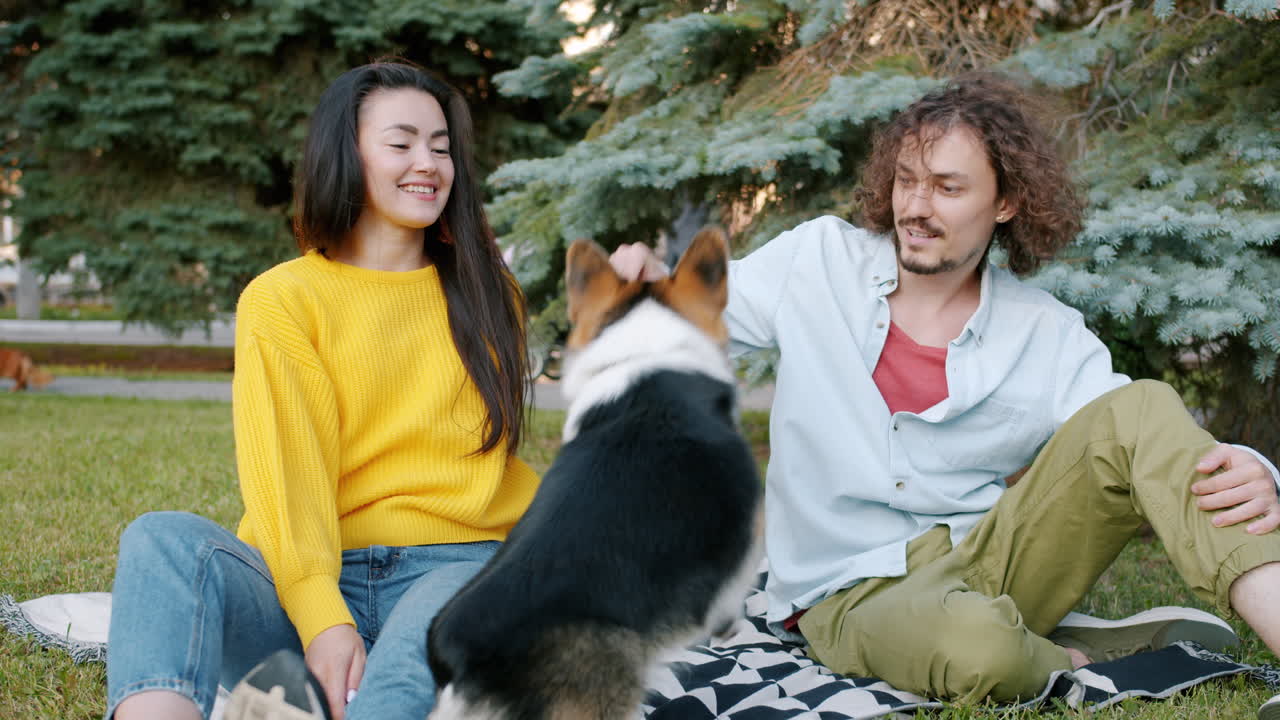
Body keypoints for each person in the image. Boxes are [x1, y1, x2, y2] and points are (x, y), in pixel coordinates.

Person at [612, 72, 1280, 713]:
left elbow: (1143, 441)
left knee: (1142, 405)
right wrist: (642, 287)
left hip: (988, 558)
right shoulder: (817, 262)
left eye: (947, 188)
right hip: (851, 592)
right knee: (980, 653)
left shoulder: (1044, 330)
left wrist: (1256, 471)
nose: (915, 207)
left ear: (1006, 202)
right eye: (906, 180)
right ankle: (1065, 654)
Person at [104, 61, 540, 720]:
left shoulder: (488, 292)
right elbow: (289, 474)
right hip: (307, 584)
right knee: (161, 541)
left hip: (456, 569)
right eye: (401, 144)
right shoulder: (283, 298)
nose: (428, 164)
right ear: (346, 154)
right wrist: (322, 619)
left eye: (441, 147)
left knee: (409, 666)